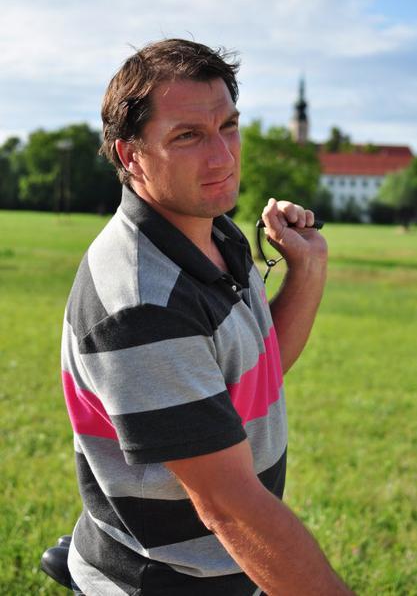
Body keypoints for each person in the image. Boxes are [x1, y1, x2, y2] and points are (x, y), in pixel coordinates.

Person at [58, 38, 354, 596]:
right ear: (130, 156)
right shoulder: (141, 303)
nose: (223, 156)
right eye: (188, 136)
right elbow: (231, 508)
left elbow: (254, 373)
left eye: (229, 126)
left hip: (223, 567)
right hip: (167, 581)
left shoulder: (216, 231)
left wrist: (308, 269)